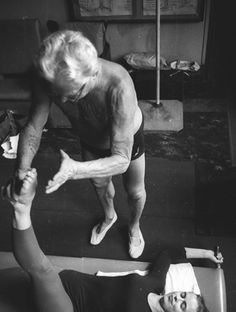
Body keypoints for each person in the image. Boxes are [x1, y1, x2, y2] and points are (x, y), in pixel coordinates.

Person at [3, 169, 223, 312]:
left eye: (183, 306)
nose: (178, 298)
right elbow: (170, 253)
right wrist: (207, 254)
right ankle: (20, 207)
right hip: (67, 282)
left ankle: (21, 208)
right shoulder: (155, 281)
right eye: (184, 295)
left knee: (42, 270)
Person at [15, 30, 146, 258]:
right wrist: (21, 171)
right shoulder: (49, 76)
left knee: (135, 192)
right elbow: (34, 128)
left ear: (92, 74)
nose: (63, 102)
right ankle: (109, 216)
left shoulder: (119, 85)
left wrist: (75, 169)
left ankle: (134, 227)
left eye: (72, 95)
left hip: (127, 143)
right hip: (89, 139)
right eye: (59, 95)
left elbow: (121, 160)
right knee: (99, 185)